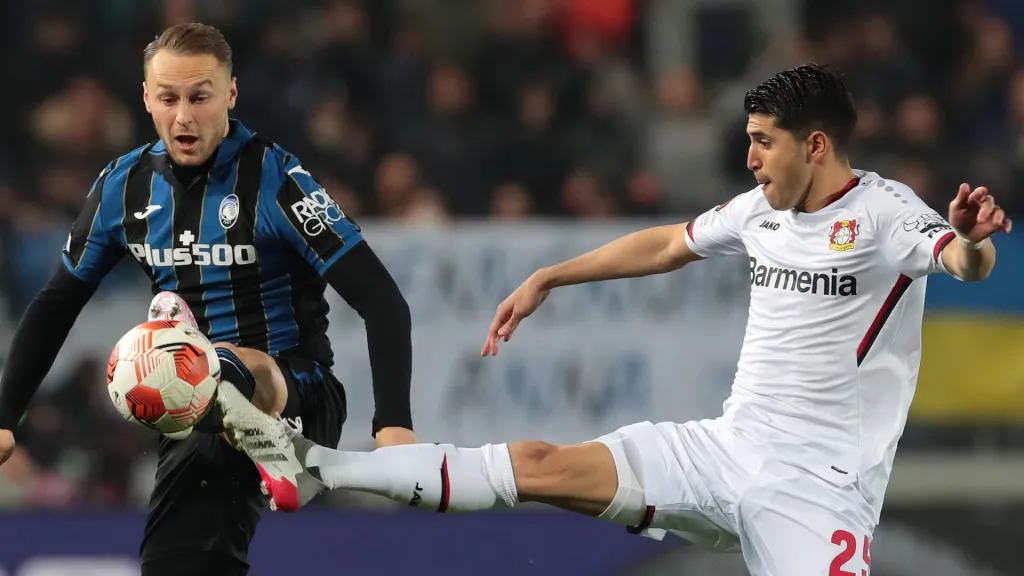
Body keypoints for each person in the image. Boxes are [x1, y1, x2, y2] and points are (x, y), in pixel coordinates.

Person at [217, 64, 1012, 574]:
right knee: (538, 463)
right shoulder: (761, 210)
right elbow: (669, 243)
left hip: (820, 491)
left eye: (763, 144)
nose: (750, 160)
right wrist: (551, 276)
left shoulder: (882, 213)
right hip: (726, 448)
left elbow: (958, 259)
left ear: (816, 144)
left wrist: (973, 243)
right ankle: (311, 461)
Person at [0, 23, 419, 576]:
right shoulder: (122, 186)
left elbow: (383, 301)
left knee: (209, 360)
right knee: (175, 564)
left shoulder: (278, 179)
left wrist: (393, 425)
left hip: (297, 393)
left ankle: (257, 424)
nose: (184, 116)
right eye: (169, 98)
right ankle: (220, 399)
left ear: (230, 95)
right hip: (193, 416)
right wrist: (6, 416)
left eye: (200, 97)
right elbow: (57, 303)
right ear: (146, 99)